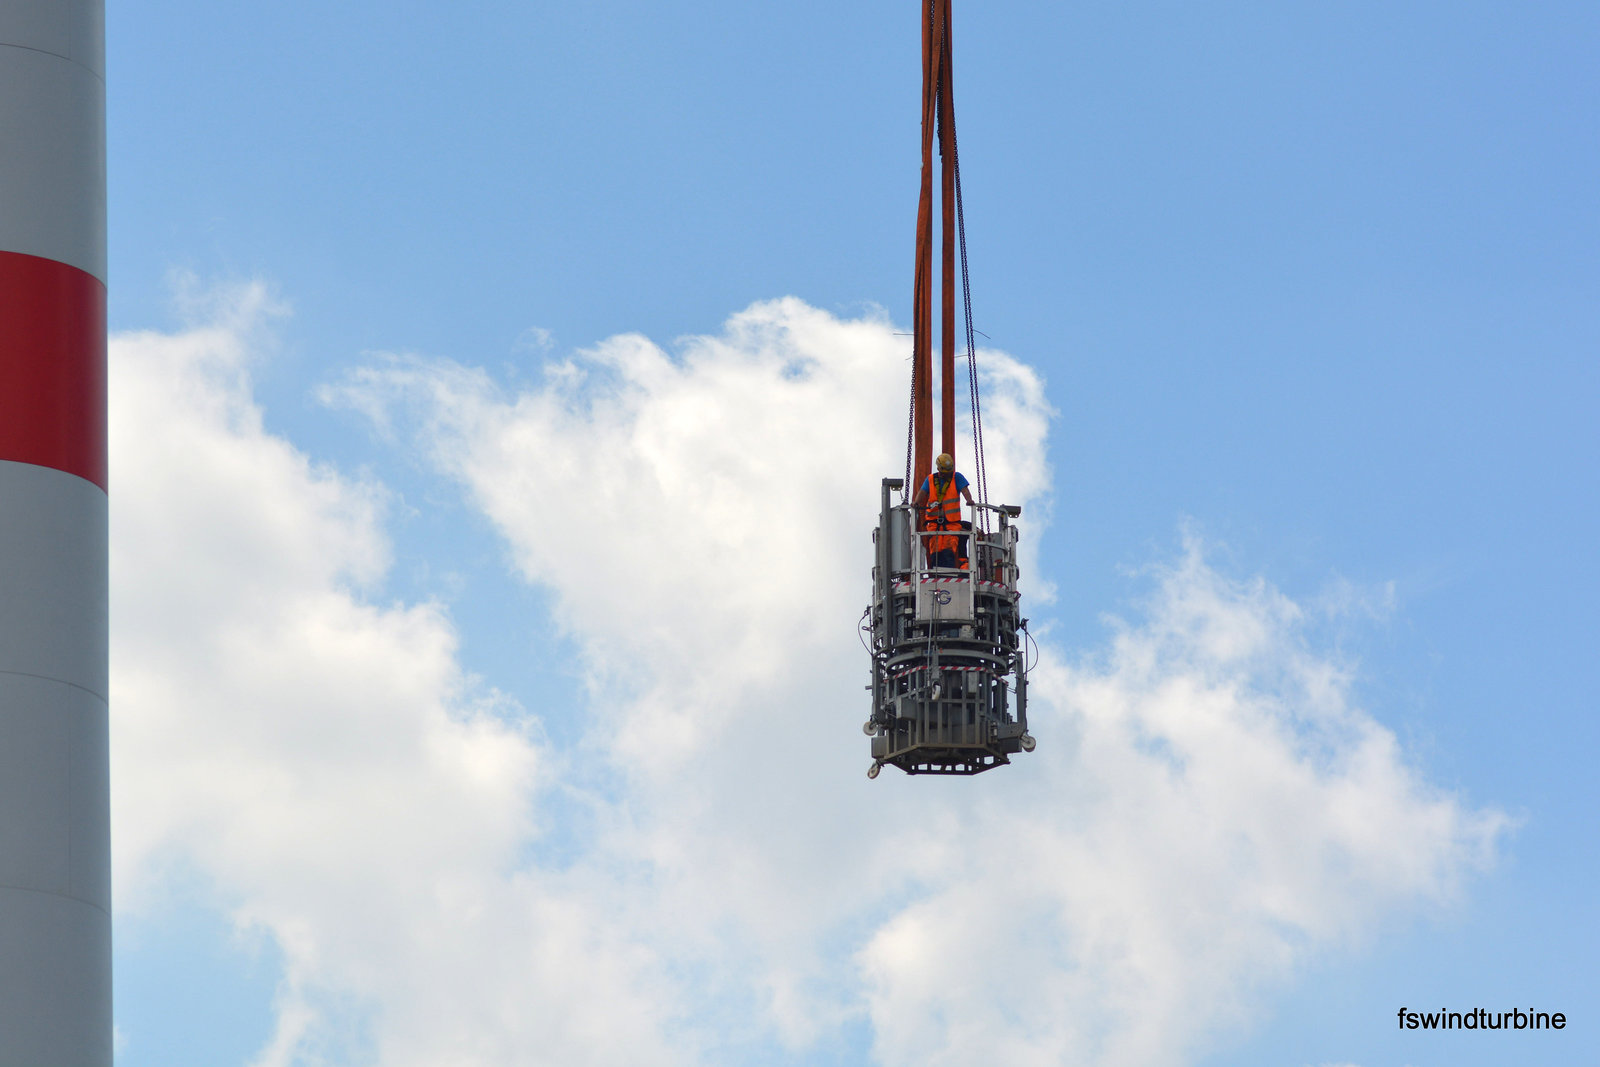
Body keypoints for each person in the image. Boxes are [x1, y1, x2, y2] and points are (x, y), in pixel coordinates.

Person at [913, 452, 975, 569]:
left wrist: (969, 500)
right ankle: (937, 576)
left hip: (951, 524)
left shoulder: (956, 477)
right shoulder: (931, 479)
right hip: (934, 524)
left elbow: (965, 490)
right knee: (935, 553)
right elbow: (922, 492)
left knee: (948, 552)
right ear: (939, 469)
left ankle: (947, 575)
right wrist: (916, 503)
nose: (945, 475)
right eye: (943, 472)